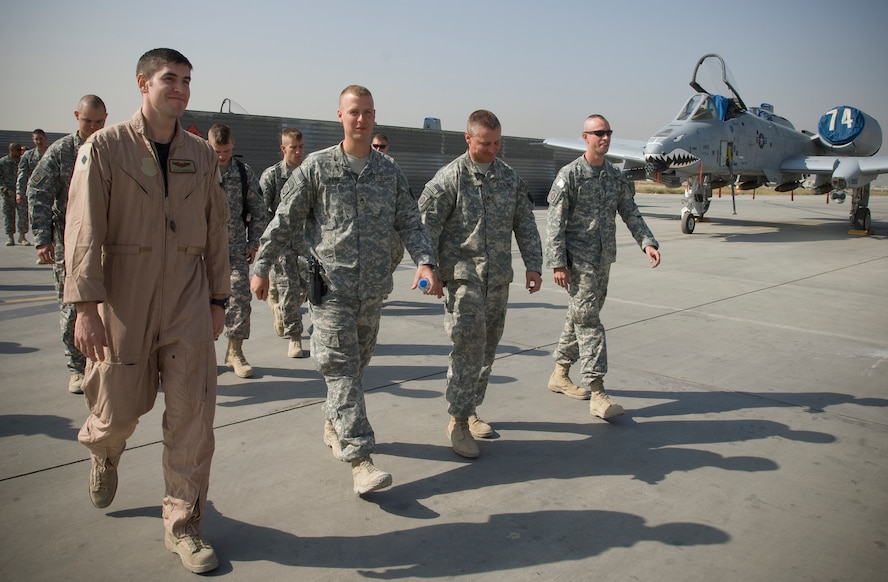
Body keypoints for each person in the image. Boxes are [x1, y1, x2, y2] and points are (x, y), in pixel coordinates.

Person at [63, 48, 230, 574]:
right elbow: (83, 230)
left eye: (186, 80)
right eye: (169, 79)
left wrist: (219, 299)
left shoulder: (202, 155)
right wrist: (85, 307)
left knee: (192, 418)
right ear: (142, 83)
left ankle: (184, 525)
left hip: (185, 300)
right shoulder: (105, 150)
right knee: (116, 410)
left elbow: (218, 229)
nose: (179, 88)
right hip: (123, 303)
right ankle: (104, 451)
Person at [250, 85, 437, 496]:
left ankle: (335, 423)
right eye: (354, 112)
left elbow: (410, 220)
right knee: (342, 370)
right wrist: (262, 267)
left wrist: (425, 261)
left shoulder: (388, 171)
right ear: (340, 115)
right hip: (331, 290)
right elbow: (283, 221)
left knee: (357, 367)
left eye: (368, 112)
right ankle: (360, 459)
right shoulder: (317, 168)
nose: (361, 119)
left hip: (372, 290)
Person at [419, 109, 543, 459]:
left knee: (487, 351)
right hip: (463, 279)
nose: (493, 150)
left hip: (498, 280)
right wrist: (429, 269)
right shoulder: (448, 179)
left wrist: (534, 265)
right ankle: (457, 421)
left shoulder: (509, 178)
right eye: (486, 143)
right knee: (468, 349)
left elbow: (525, 224)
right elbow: (424, 227)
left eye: (497, 143)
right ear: (468, 138)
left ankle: (471, 409)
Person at [545, 114, 660, 419]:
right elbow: (555, 225)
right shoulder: (569, 175)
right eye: (598, 133)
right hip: (577, 263)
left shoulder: (614, 177)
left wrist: (647, 242)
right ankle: (597, 391)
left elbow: (630, 212)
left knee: (580, 316)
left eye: (608, 132)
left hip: (603, 260)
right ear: (585, 137)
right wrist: (557, 263)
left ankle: (559, 374)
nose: (605, 138)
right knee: (589, 322)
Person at [27, 95, 108, 395]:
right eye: (88, 121)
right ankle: (76, 368)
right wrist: (42, 238)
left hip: (106, 243)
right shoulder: (61, 152)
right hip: (70, 244)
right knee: (73, 306)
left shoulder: (110, 148)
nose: (93, 127)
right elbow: (38, 192)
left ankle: (102, 364)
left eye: (99, 122)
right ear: (77, 116)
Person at [207, 123, 267, 378]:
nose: (221, 156)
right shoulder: (199, 170)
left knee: (241, 300)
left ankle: (235, 351)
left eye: (226, 151)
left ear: (233, 145)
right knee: (195, 306)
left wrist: (254, 243)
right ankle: (200, 356)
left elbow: (259, 210)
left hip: (235, 252)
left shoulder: (243, 173)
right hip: (200, 252)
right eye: (217, 151)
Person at [258, 127, 308, 358]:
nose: (297, 152)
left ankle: (278, 308)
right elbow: (261, 213)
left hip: (307, 242)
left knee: (306, 289)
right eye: (293, 148)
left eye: (300, 147)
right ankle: (295, 337)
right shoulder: (272, 176)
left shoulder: (309, 173)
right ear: (283, 149)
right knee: (290, 286)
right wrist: (266, 246)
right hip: (283, 242)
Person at [15, 129, 50, 245]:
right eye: (36, 139)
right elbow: (22, 174)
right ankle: (40, 246)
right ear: (33, 140)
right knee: (38, 221)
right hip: (36, 193)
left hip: (53, 192)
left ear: (45, 138)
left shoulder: (52, 153)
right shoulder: (28, 156)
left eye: (41, 138)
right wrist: (19, 192)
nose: (39, 141)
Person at [0, 143, 24, 246]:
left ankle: (22, 236)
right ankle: (10, 237)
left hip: (21, 192)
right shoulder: (3, 162)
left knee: (23, 215)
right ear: (11, 150)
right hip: (7, 193)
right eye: (17, 150)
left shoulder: (22, 161)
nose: (20, 152)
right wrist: (2, 188)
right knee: (8, 215)